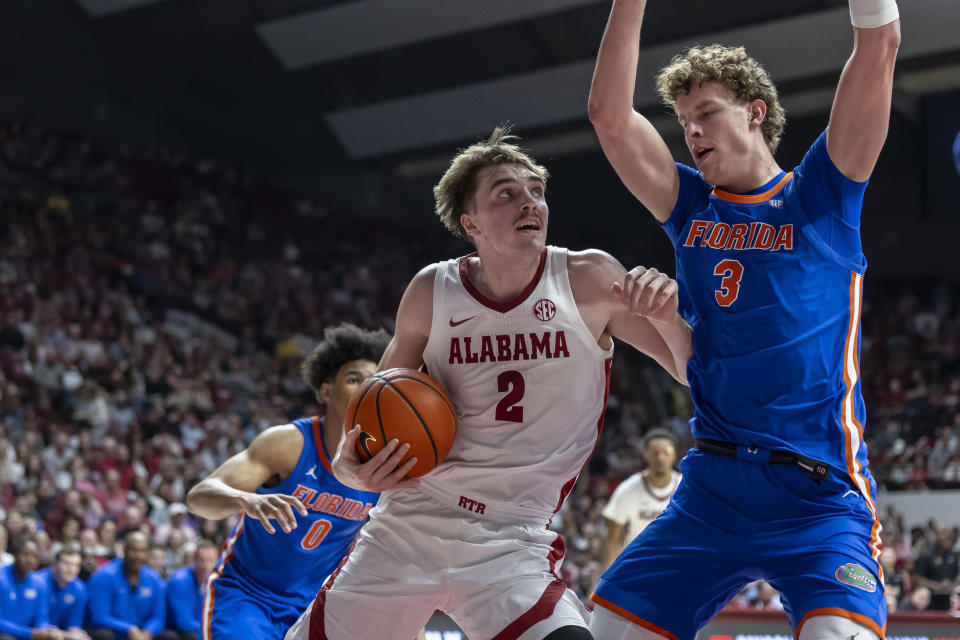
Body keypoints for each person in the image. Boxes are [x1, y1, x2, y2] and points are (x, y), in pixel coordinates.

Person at [285, 127, 693, 640]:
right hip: (409, 525)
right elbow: (371, 413)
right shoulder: (432, 290)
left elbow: (692, 372)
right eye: (507, 192)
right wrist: (351, 464)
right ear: (469, 222)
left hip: (511, 540)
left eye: (536, 191)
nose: (531, 202)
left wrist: (671, 319)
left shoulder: (588, 278)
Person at [586, 0, 901, 638]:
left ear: (756, 113)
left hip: (819, 492)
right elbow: (610, 117)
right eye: (682, 122)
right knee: (608, 630)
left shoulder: (821, 196)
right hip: (714, 489)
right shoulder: (689, 206)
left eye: (706, 113)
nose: (692, 132)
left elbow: (881, 45)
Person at [185, 324, 391, 640]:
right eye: (354, 379)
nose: (365, 388)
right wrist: (247, 500)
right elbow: (199, 497)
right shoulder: (288, 444)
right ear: (327, 390)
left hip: (316, 605)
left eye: (373, 381)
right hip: (248, 596)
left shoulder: (381, 466)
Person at [600, 428, 680, 570]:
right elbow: (612, 542)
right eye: (655, 453)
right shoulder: (627, 490)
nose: (660, 458)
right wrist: (603, 581)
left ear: (674, 455)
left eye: (665, 452)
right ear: (645, 455)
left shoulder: (686, 488)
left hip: (676, 567)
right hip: (638, 568)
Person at [86, 531, 166, 640]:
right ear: (125, 550)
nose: (138, 555)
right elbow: (98, 616)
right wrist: (129, 629)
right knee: (105, 635)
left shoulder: (154, 579)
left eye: (143, 551)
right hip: (114, 632)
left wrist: (148, 632)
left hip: (141, 634)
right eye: (133, 550)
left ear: (148, 553)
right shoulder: (104, 575)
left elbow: (159, 617)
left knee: (167, 636)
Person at [0, 538, 58, 640]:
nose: (30, 560)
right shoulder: (2, 578)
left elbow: (42, 617)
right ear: (15, 554)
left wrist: (45, 630)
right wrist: (30, 634)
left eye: (35, 557)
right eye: (25, 555)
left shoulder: (40, 583)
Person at [160, 541, 219, 640]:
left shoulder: (216, 582)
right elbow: (184, 622)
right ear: (194, 560)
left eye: (210, 560)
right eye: (201, 560)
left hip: (199, 629)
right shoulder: (179, 581)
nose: (205, 565)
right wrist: (213, 631)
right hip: (175, 631)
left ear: (217, 562)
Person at [35, 545, 90, 640]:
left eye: (76, 565)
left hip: (60, 633)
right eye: (66, 563)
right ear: (55, 564)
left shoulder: (79, 588)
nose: (71, 569)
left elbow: (75, 622)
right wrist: (66, 635)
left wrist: (77, 635)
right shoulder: (39, 582)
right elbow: (40, 621)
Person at [912, 525, 959, 611]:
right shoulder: (925, 554)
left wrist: (952, 584)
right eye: (942, 534)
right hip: (930, 593)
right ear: (936, 535)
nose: (945, 537)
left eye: (947, 534)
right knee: (922, 594)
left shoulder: (953, 555)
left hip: (949, 592)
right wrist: (936, 586)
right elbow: (917, 577)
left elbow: (958, 575)